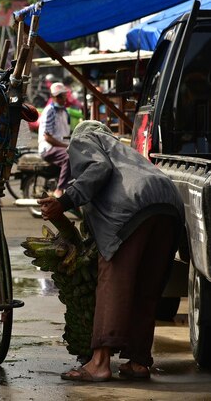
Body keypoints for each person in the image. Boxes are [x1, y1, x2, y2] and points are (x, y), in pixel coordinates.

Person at [38, 120, 184, 382]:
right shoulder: (126, 151)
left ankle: (100, 363)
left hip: (132, 208)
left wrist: (64, 201)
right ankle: (138, 362)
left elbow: (98, 168)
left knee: (113, 282)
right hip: (170, 204)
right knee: (146, 288)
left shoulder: (85, 139)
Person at [37, 82, 71, 198]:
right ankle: (59, 189)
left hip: (60, 147)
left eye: (64, 95)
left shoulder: (65, 112)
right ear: (54, 97)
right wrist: (65, 146)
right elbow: (48, 137)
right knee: (68, 157)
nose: (64, 98)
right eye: (61, 96)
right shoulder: (49, 111)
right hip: (48, 148)